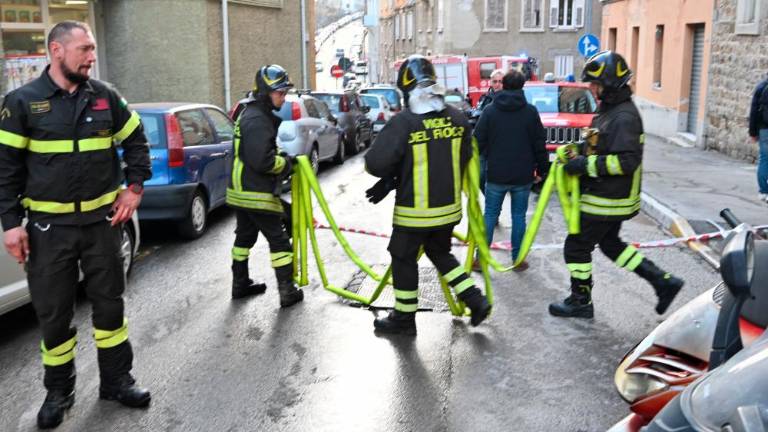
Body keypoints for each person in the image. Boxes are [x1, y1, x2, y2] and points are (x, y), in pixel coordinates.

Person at [0, 21, 152, 428]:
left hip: (102, 225)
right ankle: (58, 392)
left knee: (110, 307)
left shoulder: (105, 98)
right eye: (84, 48)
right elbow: (5, 169)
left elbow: (137, 142)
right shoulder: (22, 102)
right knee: (54, 315)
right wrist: (11, 224)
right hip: (49, 231)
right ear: (56, 50)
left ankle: (117, 381)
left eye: (93, 48)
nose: (91, 56)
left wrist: (134, 187)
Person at [548, 51, 684, 319]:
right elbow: (598, 144)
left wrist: (584, 166)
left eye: (596, 85)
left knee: (576, 246)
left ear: (609, 84)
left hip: (608, 198)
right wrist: (575, 149)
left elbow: (626, 161)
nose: (593, 89)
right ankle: (663, 281)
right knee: (611, 245)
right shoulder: (610, 111)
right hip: (608, 195)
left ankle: (580, 301)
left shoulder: (624, 117)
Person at [364, 54, 491, 335]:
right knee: (440, 253)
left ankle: (404, 319)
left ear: (407, 89)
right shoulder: (457, 119)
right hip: (448, 210)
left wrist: (392, 177)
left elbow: (375, 163)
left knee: (403, 258)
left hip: (414, 213)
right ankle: (475, 299)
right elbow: (463, 158)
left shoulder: (404, 123)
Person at [225, 64, 304, 308]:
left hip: (241, 190)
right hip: (255, 191)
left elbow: (257, 150)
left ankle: (240, 285)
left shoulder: (251, 113)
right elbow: (263, 160)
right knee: (279, 239)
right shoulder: (258, 119)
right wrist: (286, 164)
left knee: (245, 237)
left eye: (285, 92)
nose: (284, 97)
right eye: (279, 92)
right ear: (265, 92)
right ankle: (287, 291)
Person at [473, 69, 548, 270]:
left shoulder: (490, 111)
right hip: (523, 175)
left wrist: (484, 157)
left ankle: (480, 259)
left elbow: (478, 141)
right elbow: (539, 143)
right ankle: (517, 258)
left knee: (489, 215)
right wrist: (542, 169)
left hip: (496, 173)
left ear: (504, 85)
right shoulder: (530, 112)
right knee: (518, 217)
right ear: (522, 87)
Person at [475, 69, 505, 194]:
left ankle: (493, 203)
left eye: (500, 81)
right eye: (495, 81)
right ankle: (489, 199)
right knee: (480, 177)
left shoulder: (508, 99)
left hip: (500, 145)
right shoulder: (485, 98)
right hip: (485, 144)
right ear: (491, 83)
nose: (498, 84)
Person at [749, 75, 768, 203]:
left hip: (764, 129)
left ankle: (763, 191)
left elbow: (754, 112)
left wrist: (752, 132)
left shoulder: (761, 87)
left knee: (764, 159)